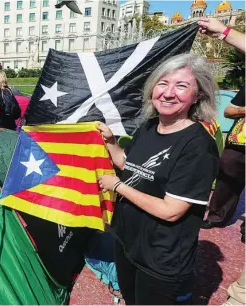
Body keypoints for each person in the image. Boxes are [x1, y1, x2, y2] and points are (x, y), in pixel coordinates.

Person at [97, 53, 219, 304]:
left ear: (198, 96)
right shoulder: (149, 127)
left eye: (182, 85)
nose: (168, 92)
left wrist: (118, 186)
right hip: (127, 241)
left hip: (160, 257)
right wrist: (110, 142)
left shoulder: (198, 146)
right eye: (162, 83)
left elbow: (171, 211)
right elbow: (129, 165)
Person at [197, 18, 246, 229]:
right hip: (239, 141)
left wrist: (224, 31)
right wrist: (222, 32)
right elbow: (229, 110)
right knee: (227, 177)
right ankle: (216, 216)